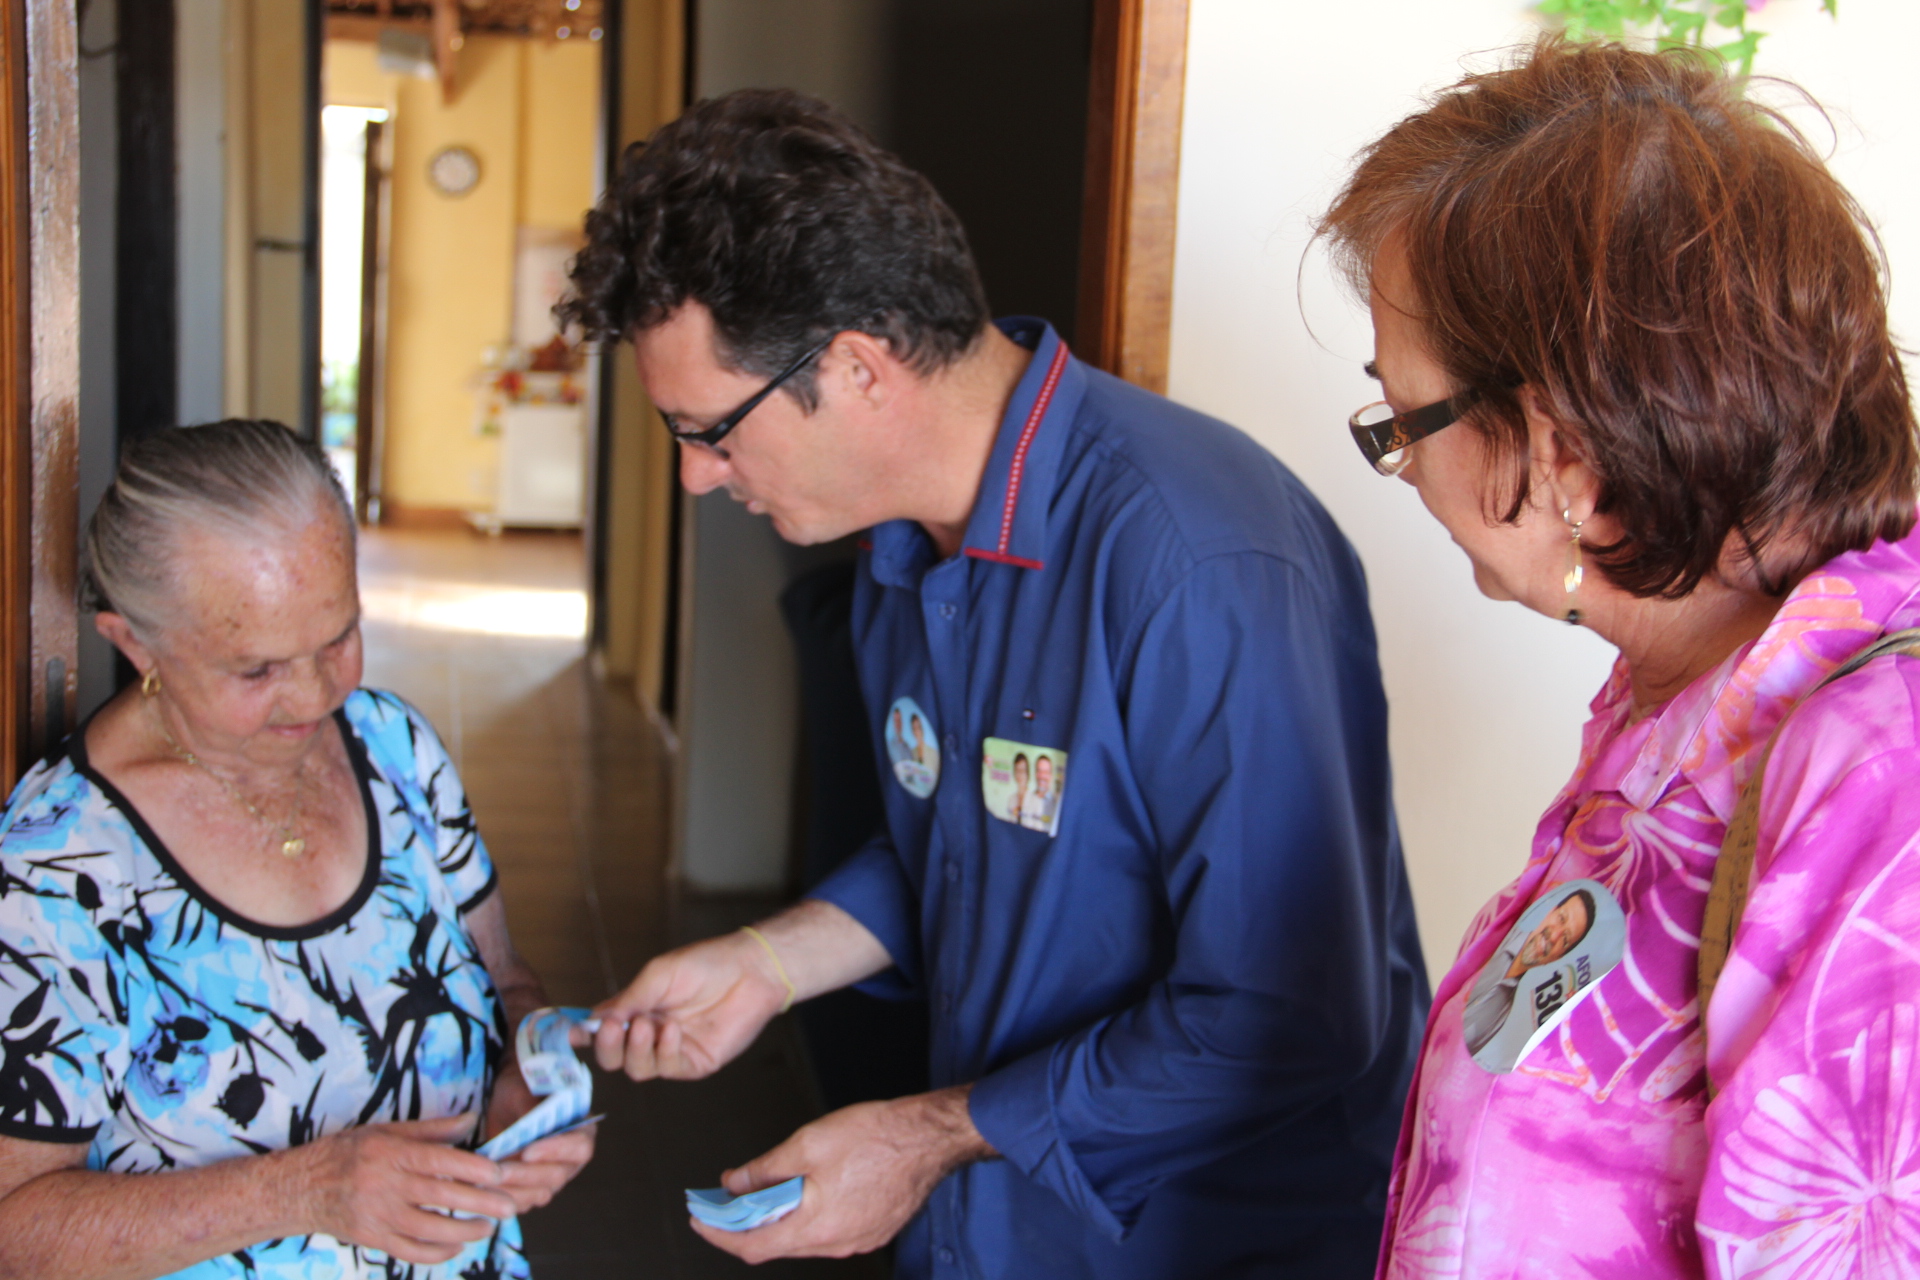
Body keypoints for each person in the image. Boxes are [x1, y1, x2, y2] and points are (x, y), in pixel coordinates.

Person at [561, 89, 1427, 1278]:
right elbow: (985, 838)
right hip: (991, 1224)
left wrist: (925, 1137)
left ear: (857, 366)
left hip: (1190, 1241)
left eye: (709, 429)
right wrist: (772, 961)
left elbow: (1292, 1014)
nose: (698, 478)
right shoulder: (896, 549)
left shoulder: (1196, 557)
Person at [1318, 37, 1920, 1277]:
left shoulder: (1881, 775)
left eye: (1403, 420)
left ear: (1567, 461)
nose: (1407, 470)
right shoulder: (1671, 696)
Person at [0, 421, 595, 1279]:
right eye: (257, 670)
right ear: (135, 644)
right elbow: (17, 1226)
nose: (318, 694)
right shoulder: (58, 870)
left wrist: (522, 1080)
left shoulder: (395, 748)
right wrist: (307, 1189)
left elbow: (504, 981)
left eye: (339, 637)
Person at [1459, 887, 1594, 1056]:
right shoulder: (1499, 934)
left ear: (1559, 956)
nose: (1554, 937)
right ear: (1550, 911)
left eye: (1565, 939)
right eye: (1561, 918)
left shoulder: (1508, 1012)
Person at [1024, 754, 1058, 834]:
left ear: (1051, 775)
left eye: (1046, 772)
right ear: (1035, 774)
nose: (1042, 775)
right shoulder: (1027, 798)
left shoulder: (1056, 803)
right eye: (1039, 771)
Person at [1007, 752, 1031, 826]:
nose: (1020, 774)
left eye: (1022, 770)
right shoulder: (1011, 799)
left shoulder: (1035, 801)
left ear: (1027, 774)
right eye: (1017, 770)